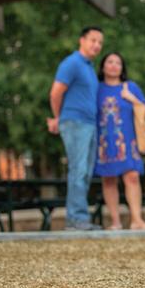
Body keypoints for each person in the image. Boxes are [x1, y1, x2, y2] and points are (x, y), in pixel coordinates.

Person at [47, 26, 104, 231]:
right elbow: (55, 93)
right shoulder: (72, 63)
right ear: (82, 40)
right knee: (78, 170)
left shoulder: (88, 67)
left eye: (99, 42)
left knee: (86, 172)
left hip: (89, 124)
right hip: (75, 123)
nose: (96, 45)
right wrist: (59, 117)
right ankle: (76, 219)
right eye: (93, 40)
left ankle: (79, 218)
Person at [94, 52, 145, 231]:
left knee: (132, 177)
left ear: (122, 68)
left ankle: (137, 220)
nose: (114, 65)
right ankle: (115, 221)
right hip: (105, 139)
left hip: (128, 140)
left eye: (118, 63)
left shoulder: (130, 87)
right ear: (103, 66)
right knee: (109, 180)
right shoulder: (96, 89)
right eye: (110, 62)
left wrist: (132, 98)